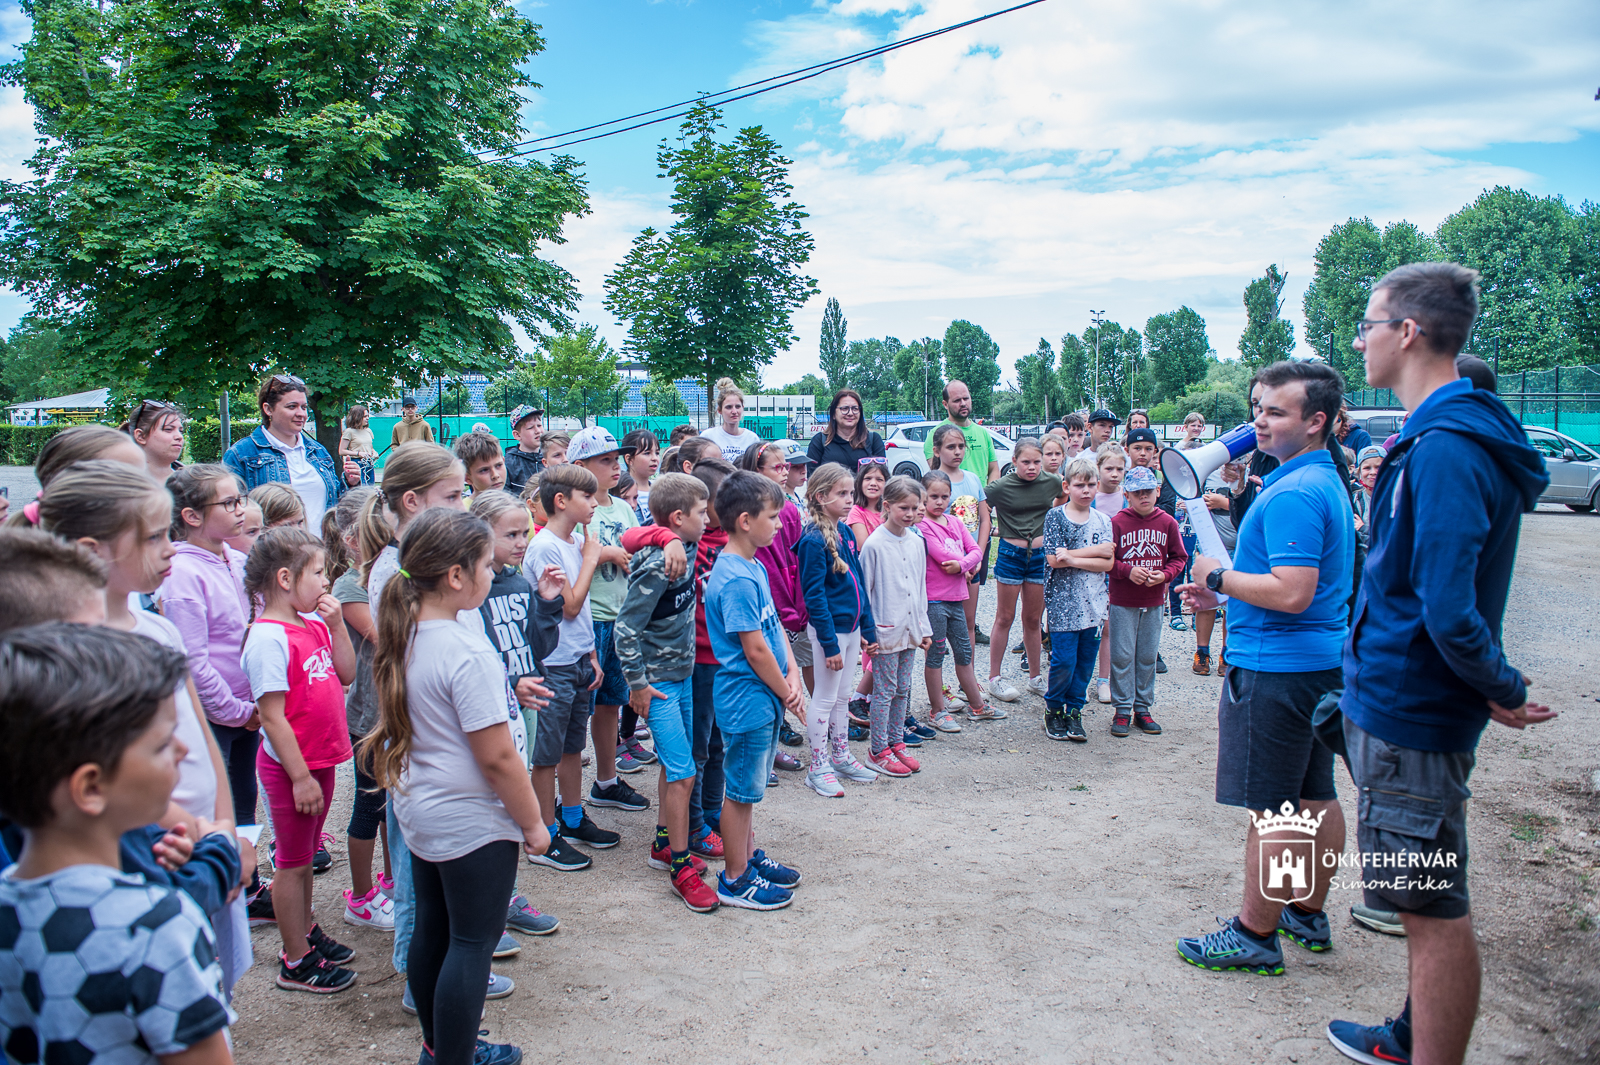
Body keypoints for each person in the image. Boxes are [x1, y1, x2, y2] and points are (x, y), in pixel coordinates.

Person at [1324, 263, 1552, 1065]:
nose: (1361, 338)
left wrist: (1503, 688)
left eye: (1370, 322)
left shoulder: (1449, 445)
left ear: (1408, 332)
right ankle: (1413, 1034)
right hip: (1403, 700)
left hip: (1413, 708)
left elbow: (1448, 606)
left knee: (1431, 908)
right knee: (1421, 897)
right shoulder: (1438, 433)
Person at [37, 465, 254, 995]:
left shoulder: (157, 628)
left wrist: (224, 827)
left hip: (200, 838)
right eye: (155, 537)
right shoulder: (70, 654)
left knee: (211, 977)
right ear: (94, 550)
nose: (171, 549)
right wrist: (201, 834)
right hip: (152, 844)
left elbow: (200, 739)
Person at [1173, 360, 1354, 981]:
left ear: (1317, 421)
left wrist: (1217, 578)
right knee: (1313, 795)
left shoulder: (1296, 491)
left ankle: (1256, 933)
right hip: (1315, 665)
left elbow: (1293, 590)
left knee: (1273, 810)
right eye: (1257, 407)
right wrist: (1227, 596)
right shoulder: (1321, 476)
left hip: (1277, 671)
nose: (1260, 421)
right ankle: (1304, 911)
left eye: (1276, 411)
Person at [363, 508, 550, 1065]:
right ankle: (454, 1057)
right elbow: (495, 757)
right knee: (472, 944)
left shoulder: (409, 630)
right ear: (455, 576)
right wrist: (534, 823)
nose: (493, 575)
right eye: (486, 565)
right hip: (472, 817)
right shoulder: (464, 650)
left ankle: (437, 1048)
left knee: (436, 932)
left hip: (425, 808)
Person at [0, 624, 236, 1065]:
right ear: (91, 787)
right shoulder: (156, 926)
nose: (183, 751)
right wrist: (219, 849)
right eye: (163, 743)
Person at [240, 528, 358, 993]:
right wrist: (300, 778)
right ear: (285, 578)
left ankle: (306, 931)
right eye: (319, 573)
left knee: (306, 856)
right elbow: (271, 717)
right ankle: (295, 959)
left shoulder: (311, 624)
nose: (326, 582)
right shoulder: (267, 638)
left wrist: (336, 626)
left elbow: (346, 673)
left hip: (318, 762)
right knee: (291, 863)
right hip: (295, 770)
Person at [613, 472, 718, 912]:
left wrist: (667, 536)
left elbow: (635, 530)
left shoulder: (687, 544)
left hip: (683, 674)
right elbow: (624, 628)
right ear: (679, 517)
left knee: (683, 765)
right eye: (701, 511)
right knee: (682, 773)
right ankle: (680, 867)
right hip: (658, 685)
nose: (708, 516)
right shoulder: (660, 563)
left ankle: (663, 841)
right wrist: (637, 684)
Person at [703, 472, 805, 909]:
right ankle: (734, 878)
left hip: (762, 695)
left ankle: (746, 857)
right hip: (747, 697)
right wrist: (787, 691)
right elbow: (755, 649)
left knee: (747, 789)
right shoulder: (736, 577)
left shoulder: (753, 565)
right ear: (745, 521)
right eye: (773, 516)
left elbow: (774, 628)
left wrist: (794, 673)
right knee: (741, 793)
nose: (780, 524)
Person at [161, 466, 264, 886]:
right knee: (214, 807)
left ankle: (248, 883)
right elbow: (193, 661)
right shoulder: (182, 574)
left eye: (239, 500)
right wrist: (237, 710)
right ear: (191, 516)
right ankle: (220, 886)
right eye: (229, 503)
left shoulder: (238, 560)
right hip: (217, 718)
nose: (240, 510)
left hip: (249, 711)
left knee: (244, 802)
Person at [523, 462, 614, 871]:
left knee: (573, 746)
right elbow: (570, 605)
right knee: (546, 754)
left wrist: (592, 654)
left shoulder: (574, 540)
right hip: (552, 664)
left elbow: (582, 614)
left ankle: (572, 818)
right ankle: (545, 834)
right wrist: (592, 558)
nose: (594, 503)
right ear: (561, 501)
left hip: (576, 658)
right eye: (587, 497)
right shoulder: (545, 547)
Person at [568, 427, 656, 814]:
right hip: (589, 621)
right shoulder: (577, 511)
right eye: (604, 460)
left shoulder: (623, 507)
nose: (615, 466)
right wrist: (606, 553)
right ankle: (563, 797)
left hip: (620, 617)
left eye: (616, 458)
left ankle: (605, 781)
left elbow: (636, 548)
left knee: (609, 703)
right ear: (579, 466)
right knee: (580, 708)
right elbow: (571, 556)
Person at [323, 487, 395, 932]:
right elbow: (387, 638)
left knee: (392, 805)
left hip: (395, 712)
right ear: (353, 537)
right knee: (368, 806)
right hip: (370, 717)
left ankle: (391, 880)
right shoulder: (350, 585)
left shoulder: (389, 573)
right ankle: (362, 896)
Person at [796, 462, 880, 798]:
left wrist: (868, 629)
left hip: (849, 630)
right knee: (825, 698)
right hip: (829, 633)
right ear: (820, 496)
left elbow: (858, 583)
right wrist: (830, 645)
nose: (849, 499)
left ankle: (841, 755)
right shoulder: (813, 540)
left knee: (843, 697)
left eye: (850, 493)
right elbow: (814, 596)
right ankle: (817, 767)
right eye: (842, 493)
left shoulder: (844, 532)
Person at [859, 475, 932, 776]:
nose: (911, 514)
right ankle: (878, 749)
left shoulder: (916, 541)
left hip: (909, 630)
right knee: (885, 690)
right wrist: (867, 632)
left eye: (915, 508)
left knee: (903, 687)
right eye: (904, 508)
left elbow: (920, 586)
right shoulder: (875, 544)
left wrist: (923, 627)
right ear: (887, 506)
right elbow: (865, 590)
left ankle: (896, 742)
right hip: (885, 631)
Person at [1104, 466, 1186, 737]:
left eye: (1148, 491)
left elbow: (1179, 557)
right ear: (1126, 494)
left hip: (1153, 600)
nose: (1143, 497)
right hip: (1123, 599)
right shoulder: (1118, 522)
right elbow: (1107, 561)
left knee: (1147, 655)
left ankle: (1143, 708)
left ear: (1158, 491)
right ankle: (1122, 709)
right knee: (1122, 654)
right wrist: (1128, 571)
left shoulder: (1167, 522)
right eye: (1137, 492)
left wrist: (1164, 575)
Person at [1040, 456, 1115, 742]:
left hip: (1094, 605)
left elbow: (1107, 563)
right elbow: (1053, 559)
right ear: (1067, 486)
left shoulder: (1103, 520)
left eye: (1091, 485)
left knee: (1085, 663)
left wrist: (1072, 555)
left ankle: (1075, 710)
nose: (1086, 491)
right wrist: (1095, 551)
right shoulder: (1056, 516)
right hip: (1063, 604)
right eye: (1080, 485)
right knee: (1064, 662)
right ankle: (1054, 708)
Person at [222, 374, 361, 527]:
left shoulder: (317, 451)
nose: (301, 413)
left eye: (304, 407)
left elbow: (334, 504)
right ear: (268, 409)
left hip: (321, 548)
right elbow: (230, 514)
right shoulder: (242, 454)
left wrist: (349, 483)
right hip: (273, 549)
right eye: (292, 407)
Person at [983, 438, 1061, 703]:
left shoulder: (1051, 481)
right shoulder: (1000, 486)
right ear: (1014, 461)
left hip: (1040, 556)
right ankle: (994, 678)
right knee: (1004, 617)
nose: (1032, 467)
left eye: (1036, 462)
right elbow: (982, 505)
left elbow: (1062, 496)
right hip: (1010, 554)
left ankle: (1035, 678)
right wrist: (991, 531)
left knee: (1032, 619)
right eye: (1025, 462)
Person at [742, 443, 812, 740]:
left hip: (794, 599)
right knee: (773, 667)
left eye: (786, 466)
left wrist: (800, 599)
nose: (785, 472)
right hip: (771, 603)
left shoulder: (791, 509)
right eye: (777, 467)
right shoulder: (751, 513)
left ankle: (820, 718)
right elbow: (766, 567)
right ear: (756, 472)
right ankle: (776, 724)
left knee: (800, 662)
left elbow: (796, 557)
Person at [916, 471, 989, 729]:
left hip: (957, 597)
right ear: (923, 497)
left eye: (944, 496)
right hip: (934, 600)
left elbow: (976, 550)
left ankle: (977, 704)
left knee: (964, 652)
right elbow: (940, 556)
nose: (939, 501)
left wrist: (962, 566)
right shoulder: (923, 526)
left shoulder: (955, 522)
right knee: (935, 654)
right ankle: (937, 709)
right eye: (933, 496)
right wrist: (965, 563)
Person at [927, 423, 991, 660]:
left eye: (961, 446)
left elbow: (985, 520)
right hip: (944, 567)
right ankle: (939, 685)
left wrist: (978, 555)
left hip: (973, 561)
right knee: (937, 629)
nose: (957, 452)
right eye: (951, 447)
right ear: (937, 451)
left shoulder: (973, 479)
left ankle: (968, 679)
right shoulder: (931, 482)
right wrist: (961, 563)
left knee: (968, 621)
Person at [808, 389, 885, 471]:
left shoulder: (874, 440)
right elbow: (812, 480)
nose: (850, 413)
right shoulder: (819, 442)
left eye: (855, 409)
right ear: (833, 414)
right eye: (844, 409)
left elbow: (881, 477)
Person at [701, 378, 763, 463]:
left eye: (737, 406)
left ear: (742, 408)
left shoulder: (752, 439)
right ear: (719, 410)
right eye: (729, 407)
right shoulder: (708, 436)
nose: (734, 411)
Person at [124, 399, 185, 480]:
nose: (179, 436)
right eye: (168, 429)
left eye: (181, 431)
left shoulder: (194, 484)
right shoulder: (118, 484)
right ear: (140, 436)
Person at [503, 405, 545, 496]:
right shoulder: (509, 463)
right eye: (531, 428)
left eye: (539, 425)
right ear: (517, 435)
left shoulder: (550, 456)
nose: (538, 430)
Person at [623, 429, 662, 525]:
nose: (654, 458)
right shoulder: (621, 491)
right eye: (647, 453)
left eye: (657, 453)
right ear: (629, 459)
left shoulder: (662, 489)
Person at [847, 458, 888, 546]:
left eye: (879, 479)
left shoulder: (890, 510)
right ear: (859, 483)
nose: (873, 483)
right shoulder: (856, 512)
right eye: (868, 478)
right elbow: (865, 547)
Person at [456, 428, 507, 496]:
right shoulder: (463, 506)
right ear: (467, 478)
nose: (495, 475)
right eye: (484, 470)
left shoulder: (517, 506)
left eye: (498, 465)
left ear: (504, 461)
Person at [340, 406, 378, 485]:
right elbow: (341, 451)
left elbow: (370, 448)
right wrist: (358, 453)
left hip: (368, 463)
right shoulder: (349, 432)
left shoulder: (368, 431)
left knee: (370, 488)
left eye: (368, 416)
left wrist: (374, 453)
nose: (367, 418)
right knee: (360, 488)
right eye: (364, 416)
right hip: (356, 463)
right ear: (357, 417)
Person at [1352, 444, 1387, 530]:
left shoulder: (1395, 499)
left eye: (1378, 467)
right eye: (1367, 468)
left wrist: (1363, 528)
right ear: (1359, 472)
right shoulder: (1355, 499)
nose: (1372, 472)